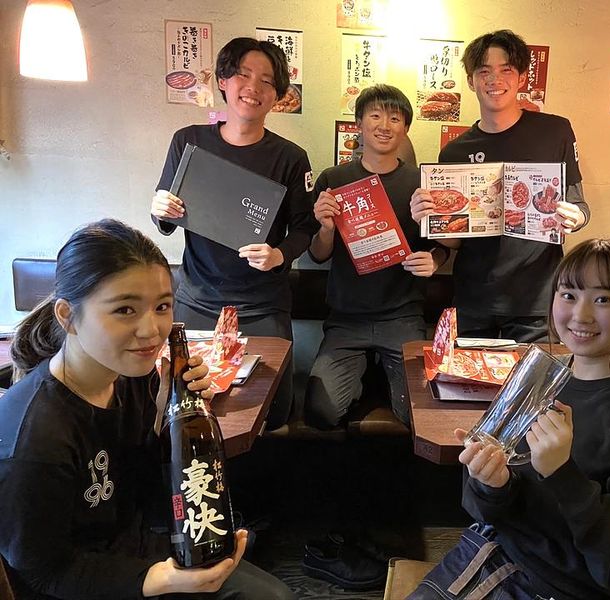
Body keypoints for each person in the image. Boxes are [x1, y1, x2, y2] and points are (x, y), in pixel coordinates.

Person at [0, 220, 294, 600]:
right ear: (67, 316)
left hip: (138, 541)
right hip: (86, 581)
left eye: (162, 307)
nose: (152, 330)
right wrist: (160, 579)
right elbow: (42, 572)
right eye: (125, 309)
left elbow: (143, 479)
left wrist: (169, 415)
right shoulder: (35, 440)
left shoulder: (130, 375)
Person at [409, 238, 610, 600]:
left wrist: (562, 473)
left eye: (603, 299)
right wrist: (492, 484)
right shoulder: (538, 376)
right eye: (568, 295)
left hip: (560, 588)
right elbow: (479, 508)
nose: (581, 315)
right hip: (488, 555)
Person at [151, 37, 317, 428]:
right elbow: (166, 218)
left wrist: (279, 255)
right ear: (224, 80)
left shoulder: (290, 158)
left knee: (272, 412)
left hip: (263, 304)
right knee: (184, 403)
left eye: (266, 81)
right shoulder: (189, 141)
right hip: (197, 298)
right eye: (243, 75)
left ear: (277, 95)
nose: (253, 88)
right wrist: (160, 208)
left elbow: (305, 226)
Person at [410, 29, 591, 343]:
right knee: (469, 376)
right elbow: (455, 240)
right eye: (484, 71)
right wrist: (427, 219)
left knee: (534, 378)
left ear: (521, 77)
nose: (495, 80)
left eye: (506, 70)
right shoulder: (454, 152)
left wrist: (576, 218)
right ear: (471, 81)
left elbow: (580, 205)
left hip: (537, 301)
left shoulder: (555, 131)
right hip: (474, 300)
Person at [305, 84, 448, 428]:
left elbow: (443, 245)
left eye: (395, 118)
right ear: (358, 123)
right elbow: (318, 255)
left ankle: (384, 376)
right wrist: (326, 228)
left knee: (418, 415)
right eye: (375, 115)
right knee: (321, 412)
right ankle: (366, 375)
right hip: (346, 319)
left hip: (402, 317)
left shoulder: (422, 182)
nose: (385, 125)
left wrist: (435, 261)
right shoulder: (334, 179)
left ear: (406, 128)